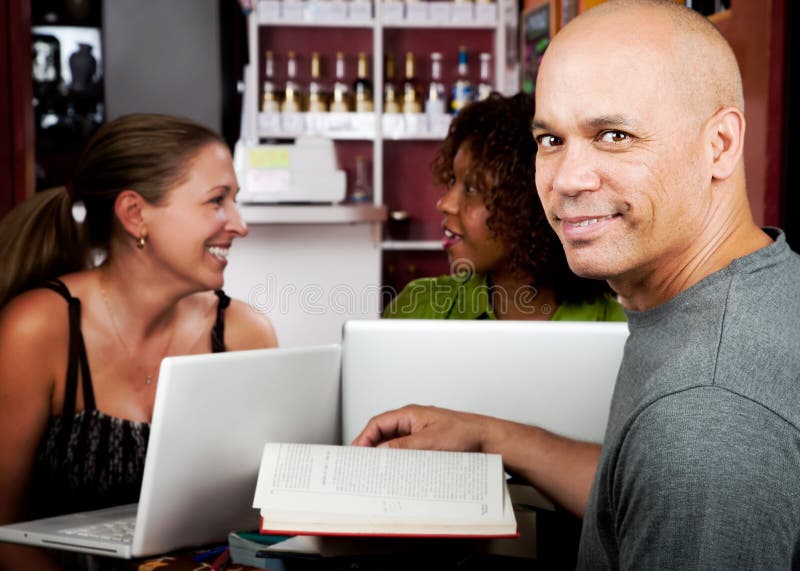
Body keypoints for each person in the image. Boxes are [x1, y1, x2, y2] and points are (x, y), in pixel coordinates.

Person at [354, 0, 800, 568]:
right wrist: (491, 435)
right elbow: (639, 498)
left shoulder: (705, 419)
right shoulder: (753, 287)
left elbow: (686, 465)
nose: (566, 179)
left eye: (614, 135)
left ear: (720, 145)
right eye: (551, 141)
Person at [0, 113, 278, 569]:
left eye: (235, 201)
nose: (239, 225)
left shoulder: (245, 334)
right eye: (216, 201)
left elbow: (264, 521)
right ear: (134, 214)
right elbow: (5, 532)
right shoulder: (38, 329)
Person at [384, 92, 625, 321]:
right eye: (452, 182)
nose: (445, 204)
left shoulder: (615, 327)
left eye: (471, 189)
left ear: (530, 206)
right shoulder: (419, 308)